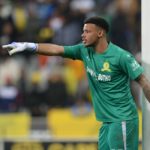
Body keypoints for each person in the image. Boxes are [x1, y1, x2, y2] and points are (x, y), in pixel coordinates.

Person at [2, 16, 150, 150]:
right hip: (106, 122)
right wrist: (30, 46)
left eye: (87, 31)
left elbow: (143, 80)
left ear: (100, 33)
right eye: (82, 31)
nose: (82, 35)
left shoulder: (121, 56)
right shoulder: (83, 51)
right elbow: (57, 49)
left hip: (123, 120)